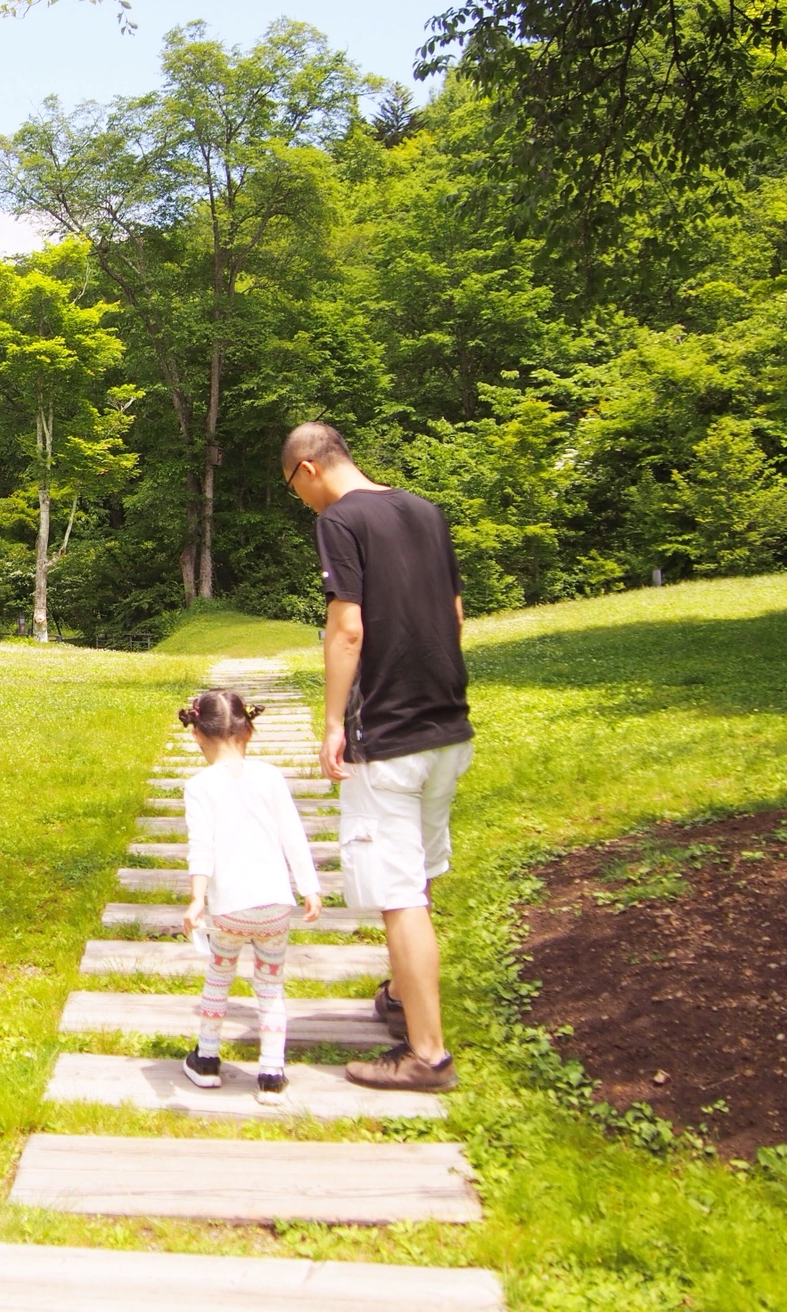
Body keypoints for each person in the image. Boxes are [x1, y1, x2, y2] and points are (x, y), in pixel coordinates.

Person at [281, 421, 473, 1093]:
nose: (301, 502)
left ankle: (426, 1054)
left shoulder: (341, 520)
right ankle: (401, 995)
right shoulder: (426, 511)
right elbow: (452, 612)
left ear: (307, 469)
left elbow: (348, 625)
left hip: (388, 734)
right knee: (417, 871)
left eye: (293, 490)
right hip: (449, 726)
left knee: (398, 894)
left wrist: (334, 721)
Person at [176, 690, 323, 1104]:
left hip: (230, 912)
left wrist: (197, 900)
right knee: (271, 987)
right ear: (248, 731)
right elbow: (292, 834)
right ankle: (272, 1075)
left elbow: (200, 846)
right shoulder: (270, 776)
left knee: (219, 979)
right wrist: (309, 887)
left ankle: (206, 1060)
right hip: (276, 906)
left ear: (197, 736)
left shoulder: (198, 786)